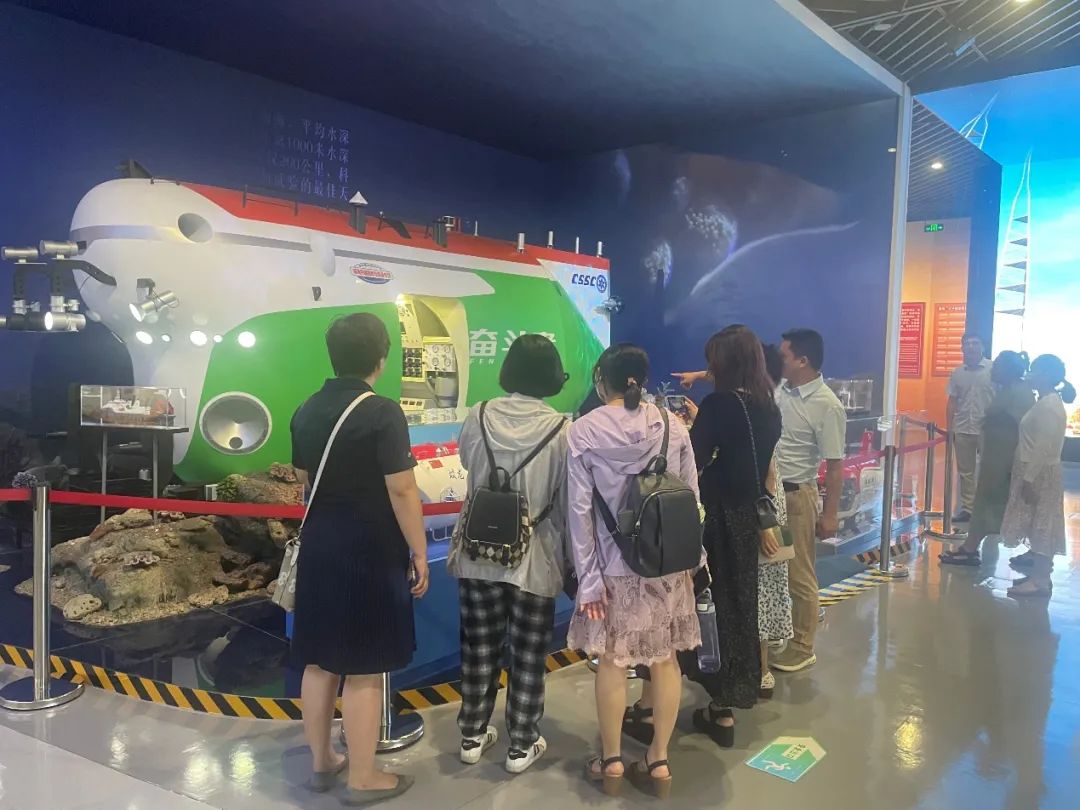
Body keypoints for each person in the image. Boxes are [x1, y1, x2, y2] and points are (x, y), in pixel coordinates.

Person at [290, 313, 429, 805]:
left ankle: (322, 761)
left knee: (320, 658)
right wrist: (419, 551)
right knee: (365, 666)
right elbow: (402, 487)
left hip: (319, 544)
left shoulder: (305, 409)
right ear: (381, 357)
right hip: (369, 549)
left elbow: (304, 479)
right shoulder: (382, 412)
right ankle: (364, 776)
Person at [567, 343, 702, 798]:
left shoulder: (583, 431)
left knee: (612, 660)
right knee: (665, 660)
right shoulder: (672, 424)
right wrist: (694, 561)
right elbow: (690, 497)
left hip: (611, 569)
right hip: (667, 565)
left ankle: (611, 761)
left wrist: (587, 580)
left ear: (600, 379)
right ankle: (658, 761)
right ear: (641, 380)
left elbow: (579, 514)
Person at [448, 335, 570, 774]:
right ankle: (521, 743)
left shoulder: (478, 415)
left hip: (477, 551)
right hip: (534, 556)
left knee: (479, 645)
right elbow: (566, 498)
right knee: (528, 652)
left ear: (508, 370)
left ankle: (472, 735)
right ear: (553, 375)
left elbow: (467, 462)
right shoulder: (562, 429)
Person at [677, 326, 781, 747]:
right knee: (739, 604)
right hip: (747, 518)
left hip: (715, 517)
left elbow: (695, 459)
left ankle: (709, 691)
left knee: (706, 602)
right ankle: (729, 698)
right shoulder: (768, 406)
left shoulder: (720, 405)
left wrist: (690, 428)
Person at [770, 328, 846, 673]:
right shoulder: (780, 389)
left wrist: (830, 514)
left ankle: (803, 646)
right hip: (771, 496)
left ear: (802, 360)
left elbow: (835, 466)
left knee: (799, 575)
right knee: (774, 567)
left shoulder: (827, 405)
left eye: (784, 355)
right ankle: (780, 632)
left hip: (797, 497)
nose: (778, 360)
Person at [940, 351, 1034, 566]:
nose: (993, 370)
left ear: (1008, 369)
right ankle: (970, 547)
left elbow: (1026, 430)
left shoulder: (1019, 393)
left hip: (1005, 460)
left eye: (998, 366)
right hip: (994, 458)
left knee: (999, 504)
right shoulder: (1007, 389)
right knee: (985, 502)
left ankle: (972, 548)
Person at [1000, 354, 1074, 598]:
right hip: (1033, 469)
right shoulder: (1044, 402)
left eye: (1035, 370)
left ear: (1046, 375)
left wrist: (1029, 478)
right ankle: (1039, 575)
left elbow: (1043, 447)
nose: (1029, 374)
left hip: (1039, 473)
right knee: (1035, 522)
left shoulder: (1049, 406)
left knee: (1043, 523)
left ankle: (1041, 579)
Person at [756, 342, 793, 699]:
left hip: (761, 502)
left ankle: (761, 669)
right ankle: (762, 666)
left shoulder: (763, 407)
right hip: (770, 498)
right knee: (768, 581)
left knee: (760, 583)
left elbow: (765, 467)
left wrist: (764, 520)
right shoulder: (771, 399)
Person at [947, 334, 994, 524]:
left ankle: (987, 508)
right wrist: (949, 427)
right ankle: (968, 509)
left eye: (975, 343)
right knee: (966, 472)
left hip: (987, 429)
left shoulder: (993, 369)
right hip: (963, 427)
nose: (971, 347)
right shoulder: (957, 373)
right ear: (962, 348)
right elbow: (952, 400)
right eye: (967, 344)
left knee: (989, 469)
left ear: (982, 347)